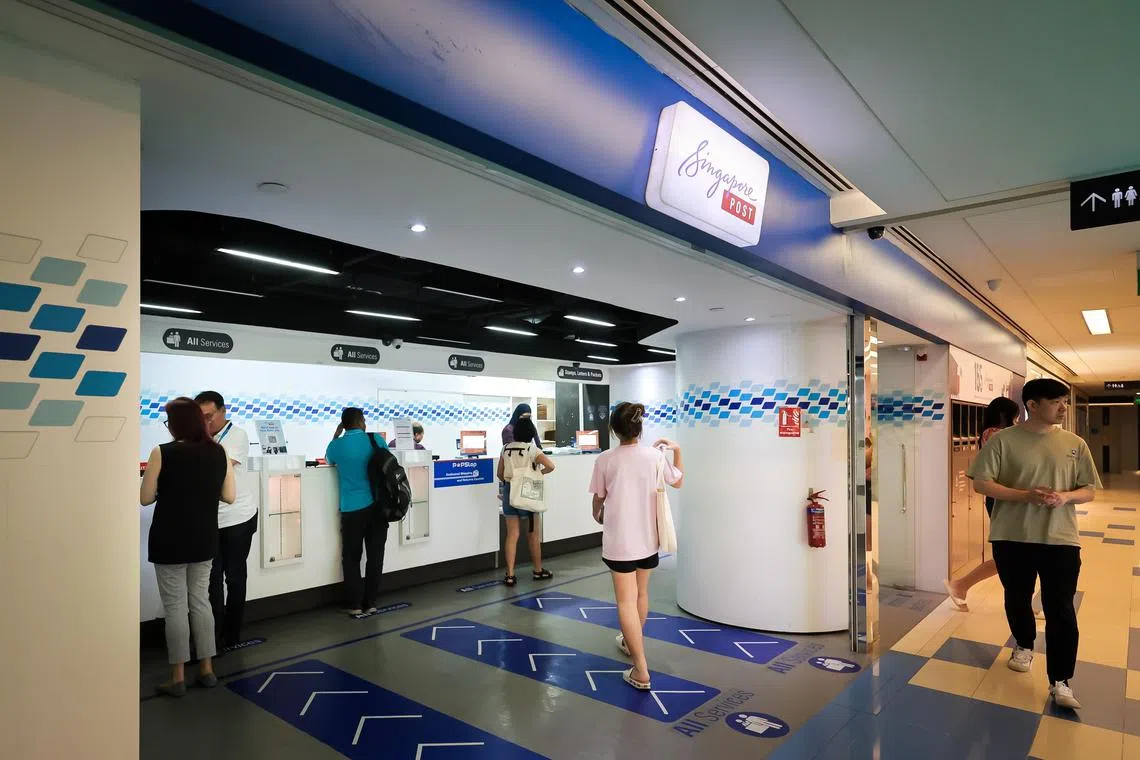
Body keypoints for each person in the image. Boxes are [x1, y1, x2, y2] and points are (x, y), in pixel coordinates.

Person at [967, 379, 1100, 710]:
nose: (1063, 407)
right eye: (1056, 402)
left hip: (1060, 538)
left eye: (1064, 401)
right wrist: (1024, 496)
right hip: (1012, 536)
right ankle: (1024, 644)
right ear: (1033, 405)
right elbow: (981, 483)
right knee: (1017, 596)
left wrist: (1065, 497)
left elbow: (1089, 489)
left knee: (1061, 608)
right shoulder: (1003, 441)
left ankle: (1061, 680)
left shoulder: (1075, 444)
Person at [140, 397, 235, 697]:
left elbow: (145, 497)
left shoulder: (162, 452)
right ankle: (206, 669)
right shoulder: (219, 451)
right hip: (204, 538)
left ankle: (178, 677)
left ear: (176, 424)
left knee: (176, 607)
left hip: (169, 539)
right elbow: (229, 496)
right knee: (201, 602)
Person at [588, 402, 683, 692]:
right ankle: (632, 644)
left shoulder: (606, 459)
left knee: (625, 602)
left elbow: (598, 498)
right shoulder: (655, 456)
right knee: (641, 594)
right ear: (639, 428)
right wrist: (678, 450)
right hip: (648, 539)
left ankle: (641, 670)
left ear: (614, 430)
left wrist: (596, 513)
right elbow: (677, 481)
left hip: (620, 541)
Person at [944, 396, 1021, 610]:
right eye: (1015, 416)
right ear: (1005, 415)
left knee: (1012, 554)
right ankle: (962, 585)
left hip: (1006, 497)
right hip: (1000, 497)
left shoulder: (999, 433)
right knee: (1009, 554)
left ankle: (962, 586)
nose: (1017, 420)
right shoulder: (995, 434)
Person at [195, 391, 256, 651]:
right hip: (211, 520)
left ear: (223, 411)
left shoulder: (237, 435)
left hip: (238, 517)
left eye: (209, 416)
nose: (206, 422)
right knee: (211, 581)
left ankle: (232, 634)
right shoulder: (199, 438)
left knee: (234, 577)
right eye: (201, 417)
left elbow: (218, 467)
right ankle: (213, 636)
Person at [326, 407, 390, 616]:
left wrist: (336, 435)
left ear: (343, 425)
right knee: (375, 556)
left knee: (351, 557)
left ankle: (354, 604)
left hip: (352, 509)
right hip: (377, 507)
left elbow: (328, 461)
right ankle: (370, 602)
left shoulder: (336, 445)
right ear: (361, 421)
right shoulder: (375, 440)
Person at [497, 416, 556, 587]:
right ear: (531, 433)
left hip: (509, 493)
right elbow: (551, 466)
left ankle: (510, 574)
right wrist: (537, 475)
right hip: (528, 493)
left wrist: (511, 482)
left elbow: (500, 474)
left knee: (512, 534)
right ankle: (537, 570)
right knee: (533, 534)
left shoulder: (505, 449)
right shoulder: (532, 449)